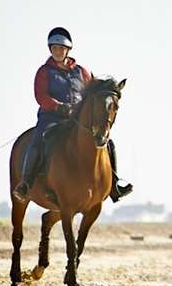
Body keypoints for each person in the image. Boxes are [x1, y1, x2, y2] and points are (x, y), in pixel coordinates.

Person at [12, 27, 133, 203]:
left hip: (77, 120)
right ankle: (26, 184)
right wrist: (59, 107)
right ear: (50, 50)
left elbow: (93, 95)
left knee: (108, 143)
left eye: (61, 49)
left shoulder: (82, 72)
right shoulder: (44, 72)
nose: (58, 52)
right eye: (54, 48)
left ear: (68, 50)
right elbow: (41, 97)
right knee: (38, 140)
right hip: (51, 117)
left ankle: (113, 185)